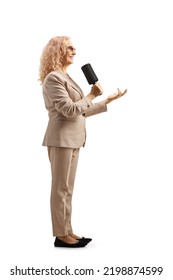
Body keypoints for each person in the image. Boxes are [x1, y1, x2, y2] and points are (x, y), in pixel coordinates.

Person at [39, 36, 127, 248]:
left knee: (67, 188)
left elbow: (81, 112)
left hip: (74, 139)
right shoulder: (53, 79)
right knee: (60, 188)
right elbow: (69, 110)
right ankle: (61, 235)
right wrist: (91, 94)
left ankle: (67, 230)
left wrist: (106, 101)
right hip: (61, 139)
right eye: (69, 47)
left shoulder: (65, 77)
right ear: (57, 51)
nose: (74, 50)